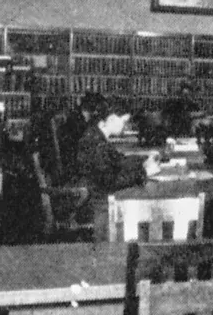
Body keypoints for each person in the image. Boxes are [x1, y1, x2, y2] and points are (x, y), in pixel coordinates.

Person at [68, 93, 159, 221]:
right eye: (123, 121)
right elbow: (110, 182)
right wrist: (143, 172)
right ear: (111, 119)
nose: (124, 125)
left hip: (97, 199)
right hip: (95, 208)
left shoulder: (97, 135)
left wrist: (144, 159)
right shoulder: (96, 142)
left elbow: (119, 160)